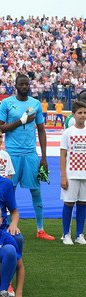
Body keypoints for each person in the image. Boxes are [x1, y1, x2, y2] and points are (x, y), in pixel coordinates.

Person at [0, 74, 53, 240]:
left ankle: (40, 229)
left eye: (26, 84)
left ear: (29, 85)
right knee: (9, 190)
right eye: (21, 84)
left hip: (31, 155)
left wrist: (44, 157)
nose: (24, 86)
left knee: (36, 190)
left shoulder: (35, 104)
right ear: (15, 85)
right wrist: (21, 121)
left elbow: (41, 130)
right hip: (12, 154)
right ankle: (6, 227)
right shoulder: (7, 103)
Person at [60, 100, 86, 245]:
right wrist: (64, 176)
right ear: (73, 115)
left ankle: (79, 234)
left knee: (83, 203)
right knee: (69, 203)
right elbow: (63, 155)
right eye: (80, 113)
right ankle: (66, 234)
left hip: (85, 175)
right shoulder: (68, 133)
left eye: (85, 113)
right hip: (72, 174)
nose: (83, 116)